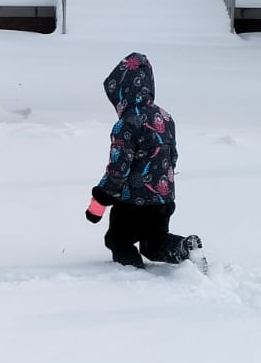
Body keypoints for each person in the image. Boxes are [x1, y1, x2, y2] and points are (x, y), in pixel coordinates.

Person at [83, 52, 202, 268]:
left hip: (133, 202)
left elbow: (119, 168)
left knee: (118, 240)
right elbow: (173, 157)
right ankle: (184, 249)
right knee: (154, 243)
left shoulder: (126, 124)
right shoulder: (165, 117)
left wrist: (102, 196)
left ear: (120, 92)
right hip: (163, 199)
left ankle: (132, 276)